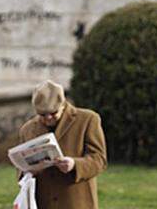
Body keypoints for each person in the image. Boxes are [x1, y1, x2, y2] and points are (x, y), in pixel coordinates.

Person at [18, 79, 107, 209]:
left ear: (63, 105)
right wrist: (27, 171)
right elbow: (20, 168)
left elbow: (99, 159)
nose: (48, 118)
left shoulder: (88, 120)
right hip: (42, 202)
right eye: (42, 114)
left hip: (76, 201)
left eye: (53, 113)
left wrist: (74, 164)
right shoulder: (27, 129)